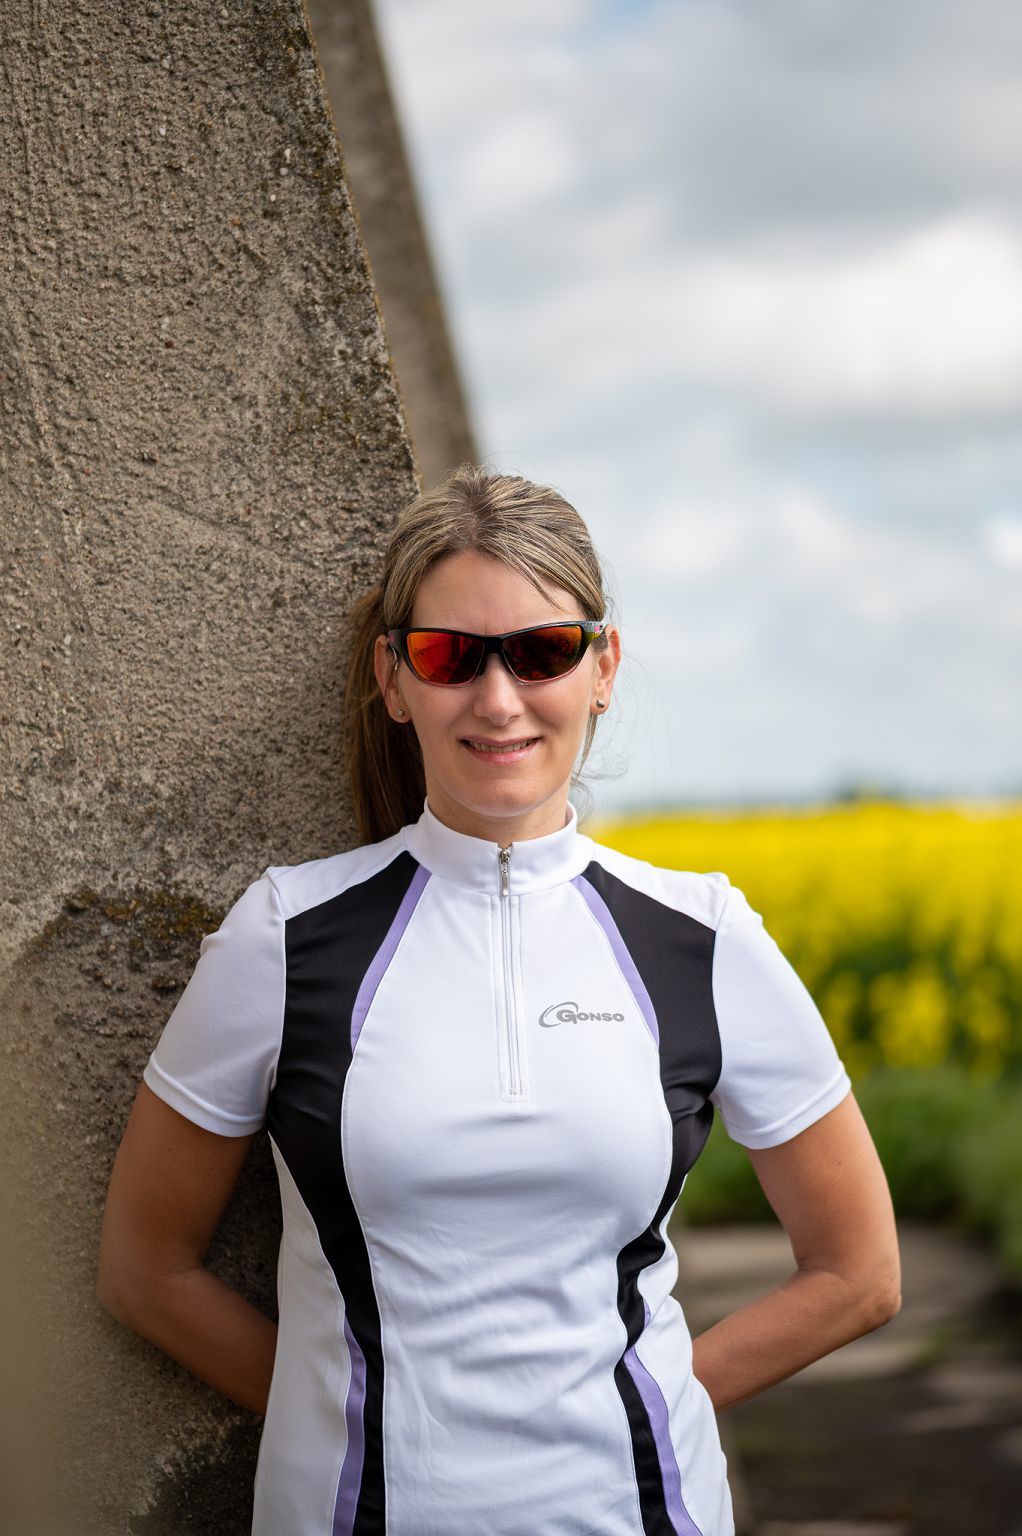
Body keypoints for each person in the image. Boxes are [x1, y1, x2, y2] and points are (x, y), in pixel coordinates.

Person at [97, 465, 901, 1536]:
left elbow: (858, 1273)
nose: (498, 698)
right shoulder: (283, 936)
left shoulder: (701, 937)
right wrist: (336, 1421)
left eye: (541, 650)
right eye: (449, 656)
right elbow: (145, 1271)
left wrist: (633, 1405)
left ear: (602, 668)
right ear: (393, 679)